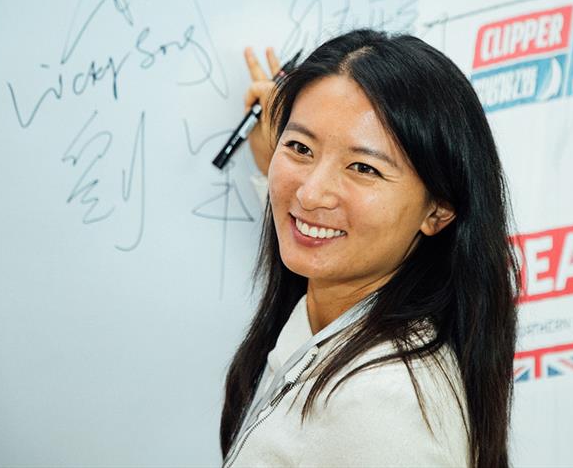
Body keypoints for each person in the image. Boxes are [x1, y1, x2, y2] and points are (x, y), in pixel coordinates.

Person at [220, 29, 518, 468]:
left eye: (363, 167)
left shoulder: (385, 408)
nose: (310, 194)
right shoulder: (341, 323)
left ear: (437, 211)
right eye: (301, 147)